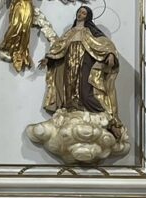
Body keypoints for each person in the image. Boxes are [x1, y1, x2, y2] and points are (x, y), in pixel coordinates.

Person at [41, 5, 124, 134]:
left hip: (85, 61)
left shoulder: (91, 31)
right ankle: (73, 112)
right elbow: (59, 46)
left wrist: (111, 54)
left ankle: (107, 118)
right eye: (79, 12)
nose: (80, 14)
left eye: (84, 13)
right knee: (69, 88)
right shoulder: (70, 32)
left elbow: (105, 44)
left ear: (88, 16)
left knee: (86, 91)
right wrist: (49, 58)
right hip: (70, 63)